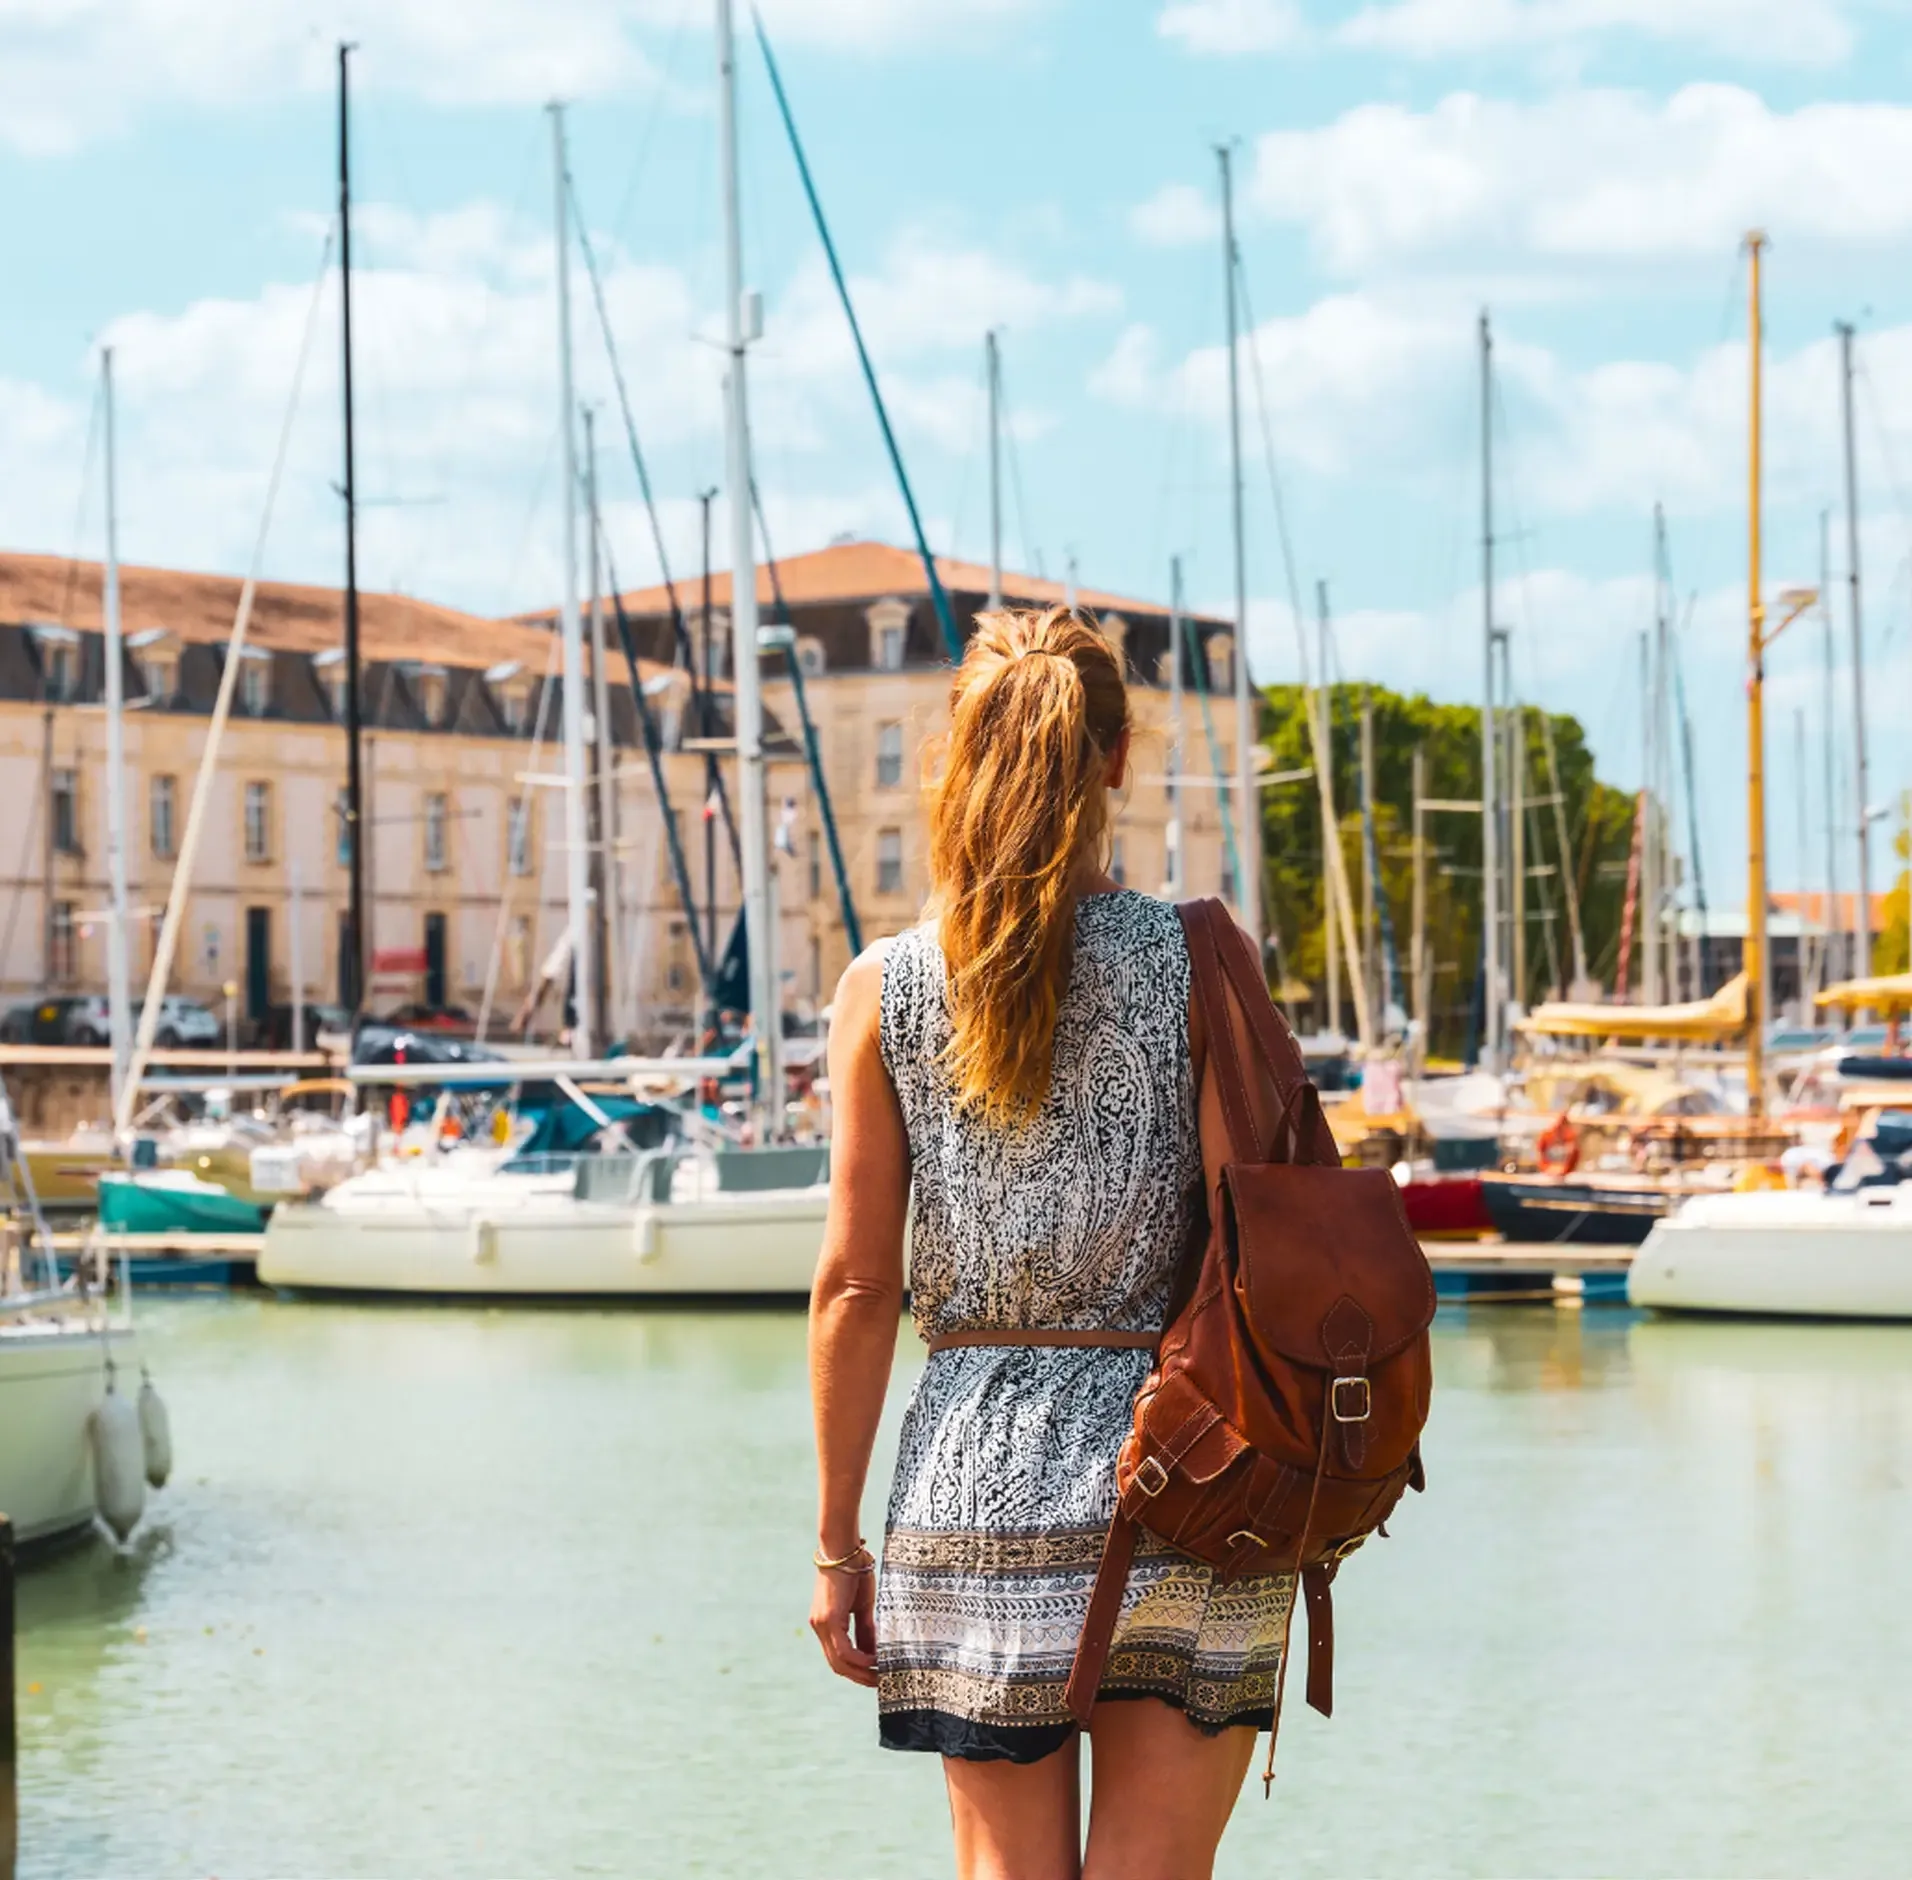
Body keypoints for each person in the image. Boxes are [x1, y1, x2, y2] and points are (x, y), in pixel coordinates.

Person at [808, 605, 1293, 1880]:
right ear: (1118, 758)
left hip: (971, 1471)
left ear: (957, 761)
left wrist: (833, 1543)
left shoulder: (886, 987)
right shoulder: (1199, 957)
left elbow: (856, 1286)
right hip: (1184, 1463)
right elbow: (1258, 1233)